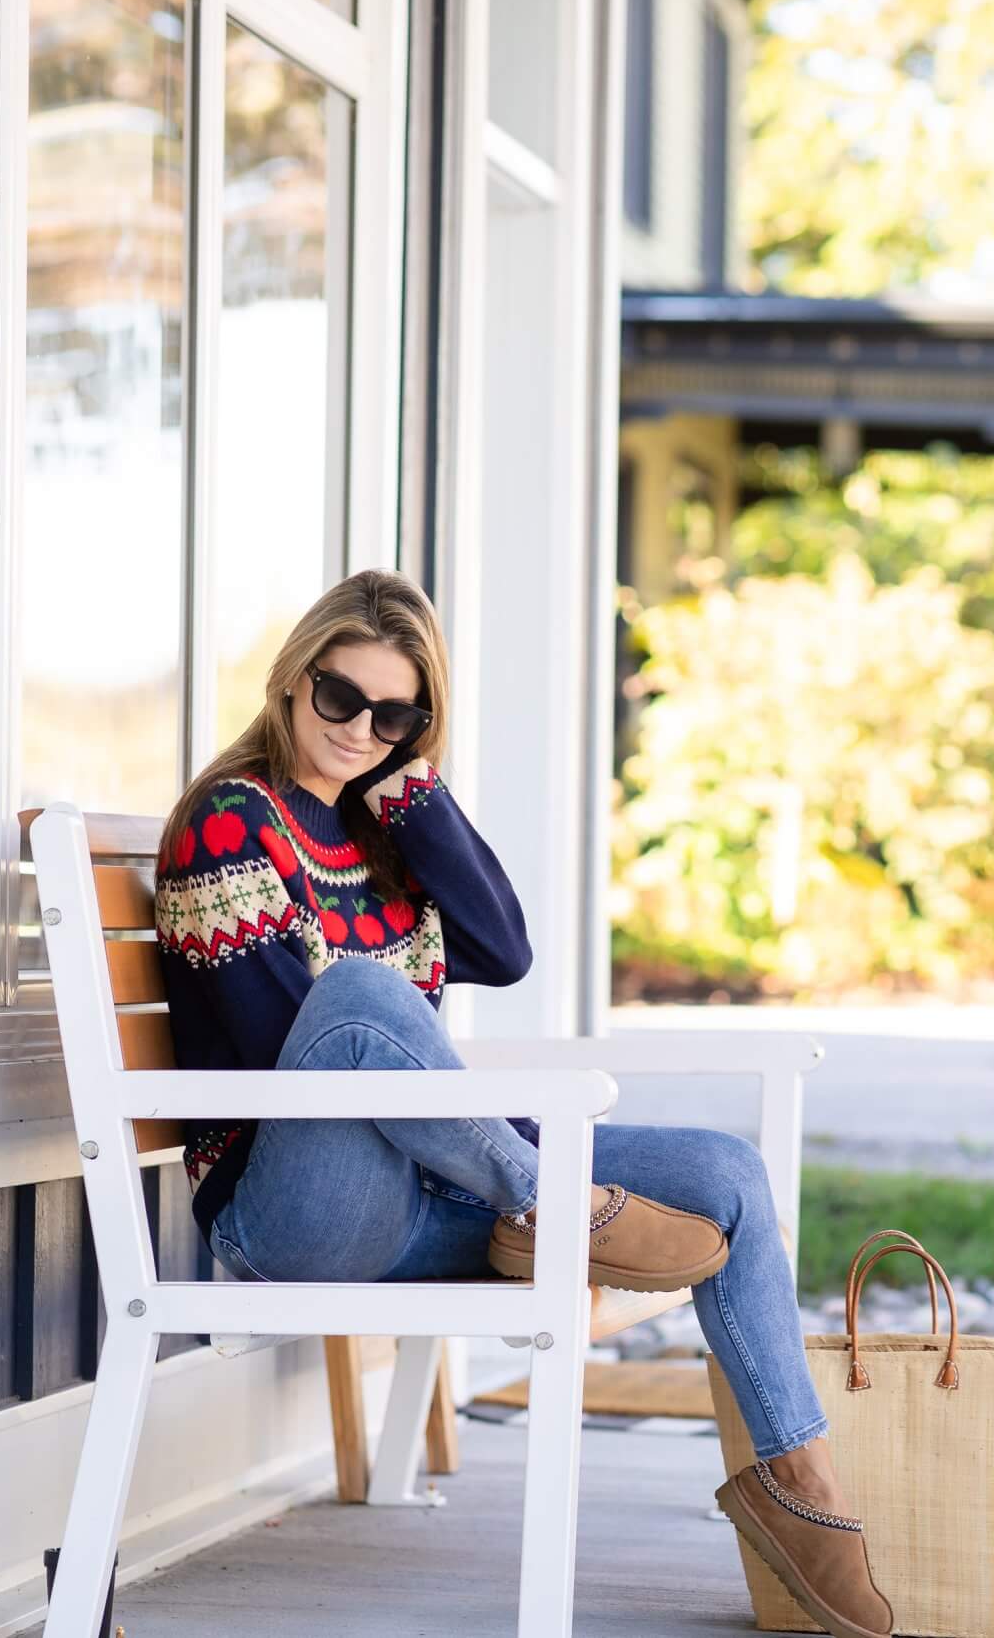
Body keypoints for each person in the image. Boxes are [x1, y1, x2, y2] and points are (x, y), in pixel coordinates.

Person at [151, 568, 893, 1638]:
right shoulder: (231, 822)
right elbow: (292, 1069)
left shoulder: (380, 823)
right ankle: (554, 1199)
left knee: (727, 1174)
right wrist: (516, 1164)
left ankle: (803, 1488)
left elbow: (503, 949)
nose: (361, 728)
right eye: (340, 699)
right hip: (296, 1207)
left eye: (396, 714)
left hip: (428, 1188)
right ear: (289, 685)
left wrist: (414, 792)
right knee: (360, 995)